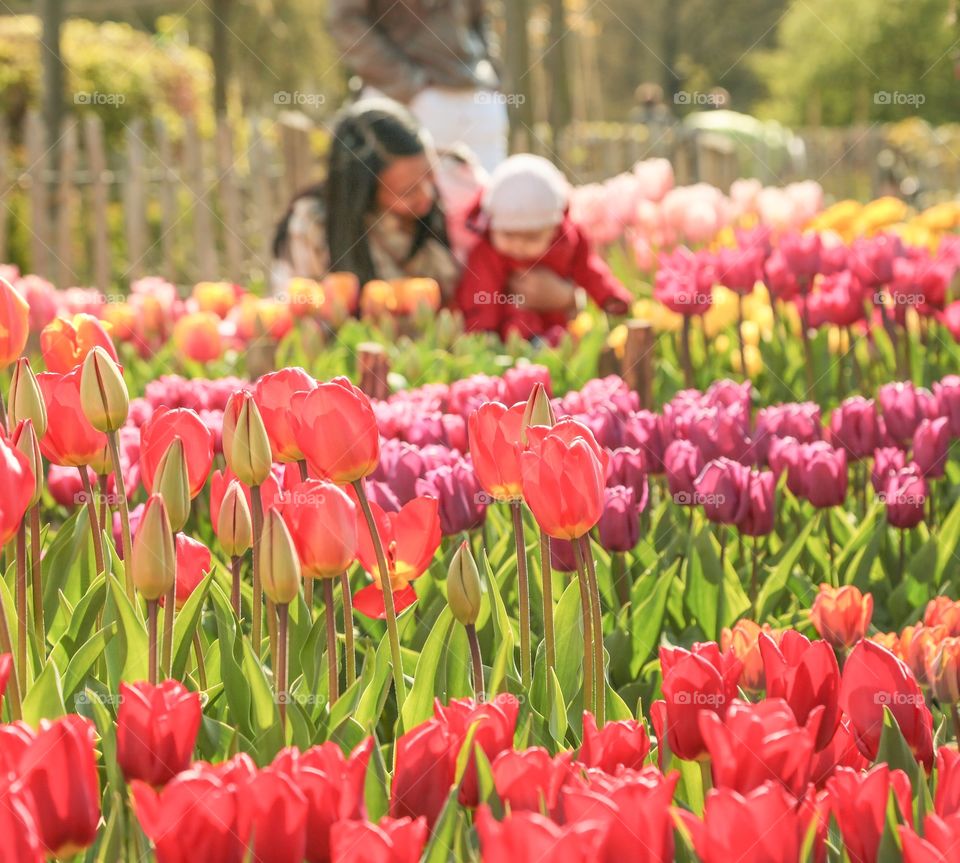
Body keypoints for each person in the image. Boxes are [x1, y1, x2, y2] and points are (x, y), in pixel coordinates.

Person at [272, 98, 463, 300]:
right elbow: (298, 307)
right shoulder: (314, 224)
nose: (427, 194)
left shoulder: (455, 199)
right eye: (407, 192)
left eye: (430, 175)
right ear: (362, 194)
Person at [456, 154, 631, 342]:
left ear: (554, 228)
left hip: (561, 326)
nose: (519, 245)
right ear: (492, 226)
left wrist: (609, 296)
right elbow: (481, 292)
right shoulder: (488, 254)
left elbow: (589, 269)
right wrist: (483, 332)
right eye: (508, 235)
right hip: (512, 332)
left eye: (532, 237)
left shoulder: (568, 241)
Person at [327, 0, 507, 172]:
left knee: (491, 200)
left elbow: (481, 18)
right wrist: (409, 84)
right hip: (407, 105)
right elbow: (346, 20)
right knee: (406, 199)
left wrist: (491, 75)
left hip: (477, 100)